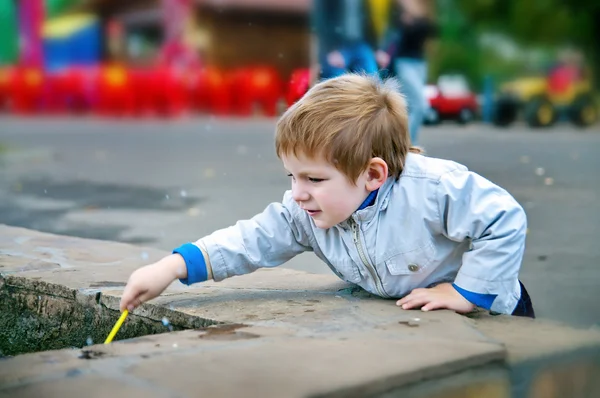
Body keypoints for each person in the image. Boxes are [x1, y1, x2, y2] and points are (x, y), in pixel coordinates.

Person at [120, 74, 534, 318]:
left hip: (493, 310)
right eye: (291, 176)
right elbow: (251, 240)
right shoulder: (304, 212)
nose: (297, 194)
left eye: (313, 179)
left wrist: (465, 292)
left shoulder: (432, 188)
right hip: (415, 310)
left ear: (373, 174)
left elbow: (503, 219)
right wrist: (172, 267)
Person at [376, 0, 438, 144]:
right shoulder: (399, 10)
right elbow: (392, 34)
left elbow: (433, 31)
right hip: (404, 62)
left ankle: (403, 144)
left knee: (409, 105)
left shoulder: (425, 10)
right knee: (420, 105)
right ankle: (406, 146)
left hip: (420, 63)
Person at [313, 0, 379, 79]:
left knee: (373, 80)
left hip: (360, 44)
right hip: (337, 47)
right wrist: (330, 50)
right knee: (336, 82)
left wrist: (376, 49)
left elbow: (367, 21)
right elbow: (320, 20)